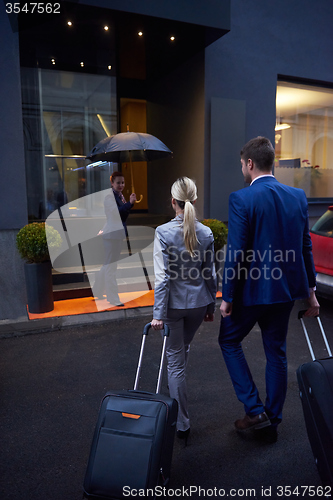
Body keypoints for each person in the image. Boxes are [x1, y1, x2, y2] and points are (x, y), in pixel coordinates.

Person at [219, 136, 320, 443]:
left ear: (250, 164)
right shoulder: (297, 196)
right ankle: (271, 422)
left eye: (241, 164)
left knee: (228, 340)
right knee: (276, 352)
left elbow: (236, 252)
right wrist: (311, 293)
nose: (241, 168)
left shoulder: (241, 199)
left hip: (251, 293)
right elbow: (305, 247)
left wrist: (227, 296)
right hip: (285, 292)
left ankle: (254, 410)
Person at [151, 176, 217, 444]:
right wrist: (211, 305)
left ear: (173, 202)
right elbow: (210, 274)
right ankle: (176, 388)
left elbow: (163, 278)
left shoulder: (163, 232)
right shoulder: (207, 233)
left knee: (175, 362)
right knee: (181, 351)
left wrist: (157, 314)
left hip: (174, 306)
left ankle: (182, 423)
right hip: (198, 304)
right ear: (194, 200)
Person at [93, 171, 136, 306]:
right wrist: (129, 203)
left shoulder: (119, 196)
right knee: (111, 267)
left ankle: (97, 290)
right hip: (111, 235)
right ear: (112, 183)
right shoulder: (109, 197)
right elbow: (117, 214)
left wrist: (130, 203)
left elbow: (122, 216)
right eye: (118, 182)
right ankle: (112, 298)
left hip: (116, 234)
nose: (121, 185)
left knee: (109, 265)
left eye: (123, 182)